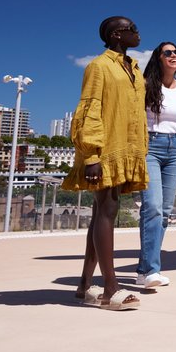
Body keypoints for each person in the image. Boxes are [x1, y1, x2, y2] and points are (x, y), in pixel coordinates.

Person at [62, 16, 148, 311]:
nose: (138, 33)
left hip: (127, 149)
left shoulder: (134, 69)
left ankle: (85, 283)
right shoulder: (98, 67)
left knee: (102, 210)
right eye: (132, 29)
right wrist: (92, 156)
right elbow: (90, 108)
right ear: (116, 35)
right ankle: (110, 288)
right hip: (105, 150)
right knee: (107, 209)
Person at [136, 41, 176, 288]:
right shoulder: (144, 85)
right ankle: (151, 270)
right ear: (158, 58)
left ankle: (145, 270)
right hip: (149, 146)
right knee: (152, 207)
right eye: (168, 53)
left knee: (165, 212)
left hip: (174, 151)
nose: (174, 56)